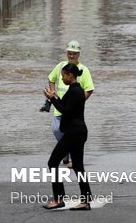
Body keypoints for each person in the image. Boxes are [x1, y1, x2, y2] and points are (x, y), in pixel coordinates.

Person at [43, 63, 92, 211]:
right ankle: (85, 200)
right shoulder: (73, 90)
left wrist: (53, 100)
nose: (62, 78)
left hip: (74, 133)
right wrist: (54, 97)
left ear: (70, 76)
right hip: (78, 132)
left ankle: (59, 199)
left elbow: (66, 111)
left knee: (53, 162)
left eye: (63, 75)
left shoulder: (76, 92)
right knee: (78, 166)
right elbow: (63, 104)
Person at [45, 41, 94, 168]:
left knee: (72, 137)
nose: (71, 56)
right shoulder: (61, 66)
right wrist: (52, 92)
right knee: (56, 129)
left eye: (74, 54)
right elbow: (51, 79)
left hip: (72, 113)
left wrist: (79, 103)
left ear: (78, 54)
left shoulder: (83, 70)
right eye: (69, 53)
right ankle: (65, 151)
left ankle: (69, 155)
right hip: (59, 107)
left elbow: (89, 89)